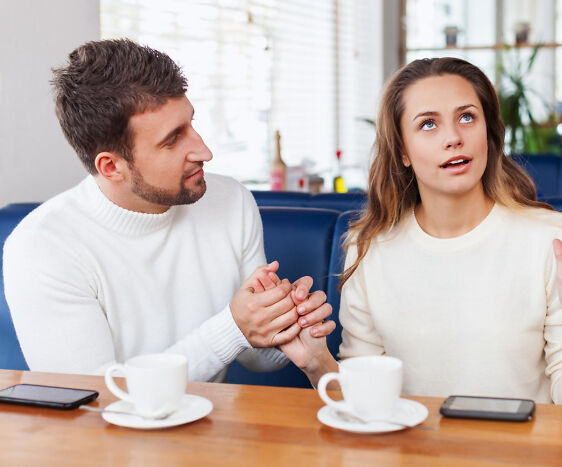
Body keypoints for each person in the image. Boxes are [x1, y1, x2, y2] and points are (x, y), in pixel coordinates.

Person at [285, 57, 562, 421]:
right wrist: (318, 363)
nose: (453, 138)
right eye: (428, 124)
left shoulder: (552, 239)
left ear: (488, 134)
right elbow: (368, 406)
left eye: (467, 117)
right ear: (402, 151)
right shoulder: (368, 249)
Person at [2, 39, 334, 382]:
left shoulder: (230, 201)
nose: (204, 150)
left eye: (191, 123)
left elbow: (257, 357)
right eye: (173, 139)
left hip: (211, 429)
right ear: (112, 167)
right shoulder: (41, 248)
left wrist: (284, 325)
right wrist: (232, 328)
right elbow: (94, 400)